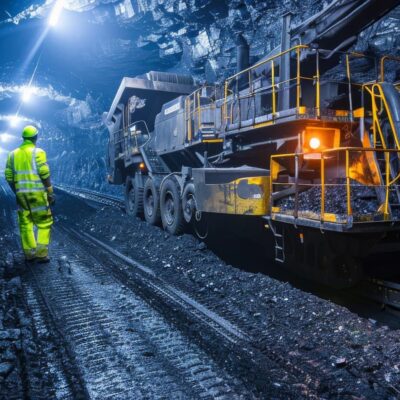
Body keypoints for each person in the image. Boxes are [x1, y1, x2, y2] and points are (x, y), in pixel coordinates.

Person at [4, 125, 55, 263]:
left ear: (23, 138)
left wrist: (17, 191)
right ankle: (42, 254)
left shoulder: (12, 154)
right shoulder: (38, 152)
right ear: (35, 137)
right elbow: (44, 173)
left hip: (21, 195)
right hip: (37, 194)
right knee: (44, 222)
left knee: (25, 223)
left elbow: (8, 176)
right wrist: (50, 191)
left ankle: (30, 253)